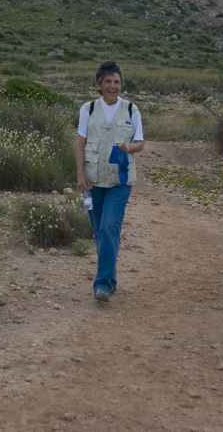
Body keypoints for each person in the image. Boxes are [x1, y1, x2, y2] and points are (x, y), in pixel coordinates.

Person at [75, 60, 145, 302]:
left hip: (119, 182)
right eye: (108, 81)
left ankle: (102, 285)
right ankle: (110, 279)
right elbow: (80, 142)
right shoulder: (88, 109)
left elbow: (140, 142)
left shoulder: (132, 110)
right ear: (99, 84)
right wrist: (80, 175)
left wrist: (129, 147)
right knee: (101, 232)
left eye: (117, 82)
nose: (113, 86)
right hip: (92, 182)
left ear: (121, 84)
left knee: (108, 227)